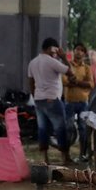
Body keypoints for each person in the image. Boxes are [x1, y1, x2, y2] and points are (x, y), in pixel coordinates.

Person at [28, 37, 75, 165]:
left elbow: (31, 82)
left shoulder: (32, 62)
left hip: (39, 100)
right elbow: (71, 73)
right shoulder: (52, 62)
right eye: (56, 50)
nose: (56, 53)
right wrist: (64, 57)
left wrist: (36, 96)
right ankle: (65, 158)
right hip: (52, 99)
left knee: (43, 128)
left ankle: (45, 158)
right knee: (61, 128)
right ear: (51, 48)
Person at [63, 43, 94, 161]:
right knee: (69, 128)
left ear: (84, 53)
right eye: (77, 49)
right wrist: (81, 83)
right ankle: (67, 155)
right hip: (69, 101)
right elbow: (65, 81)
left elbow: (90, 84)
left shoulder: (87, 68)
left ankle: (82, 154)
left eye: (81, 50)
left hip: (83, 102)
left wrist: (75, 82)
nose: (79, 52)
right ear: (73, 51)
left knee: (83, 129)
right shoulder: (67, 66)